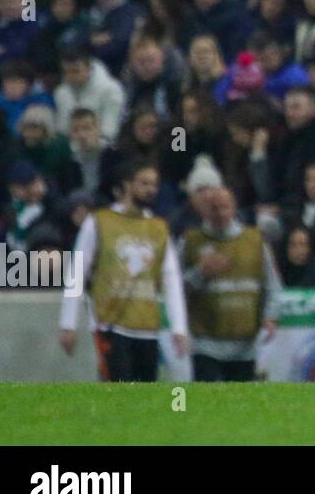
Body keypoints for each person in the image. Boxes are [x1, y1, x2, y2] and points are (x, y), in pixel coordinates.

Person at [58, 159, 189, 382]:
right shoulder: (100, 222)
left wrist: (179, 327)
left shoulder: (158, 227)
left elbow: (171, 279)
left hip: (147, 326)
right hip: (110, 324)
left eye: (154, 184)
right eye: (144, 183)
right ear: (127, 185)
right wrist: (68, 322)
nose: (151, 190)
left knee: (144, 395)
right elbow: (77, 271)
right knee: (117, 392)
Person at [179, 186, 282, 382]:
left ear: (234, 208)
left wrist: (270, 316)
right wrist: (199, 273)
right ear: (204, 210)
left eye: (224, 207)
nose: (220, 213)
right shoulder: (190, 241)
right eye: (214, 208)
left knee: (240, 400)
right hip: (205, 343)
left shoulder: (255, 241)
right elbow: (174, 289)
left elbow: (272, 285)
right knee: (206, 399)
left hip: (245, 344)